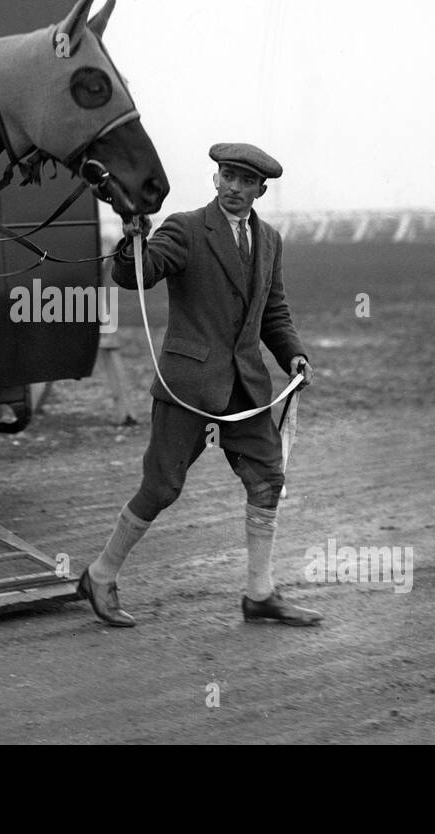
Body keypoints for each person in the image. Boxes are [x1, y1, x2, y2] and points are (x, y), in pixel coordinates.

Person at [78, 142, 322, 627]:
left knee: (267, 481)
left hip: (245, 390)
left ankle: (259, 594)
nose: (233, 186)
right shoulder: (187, 228)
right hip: (187, 384)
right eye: (227, 176)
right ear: (216, 178)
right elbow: (137, 274)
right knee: (162, 486)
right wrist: (132, 242)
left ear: (261, 189)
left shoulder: (270, 240)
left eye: (245, 180)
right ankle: (99, 575)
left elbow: (273, 310)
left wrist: (292, 352)